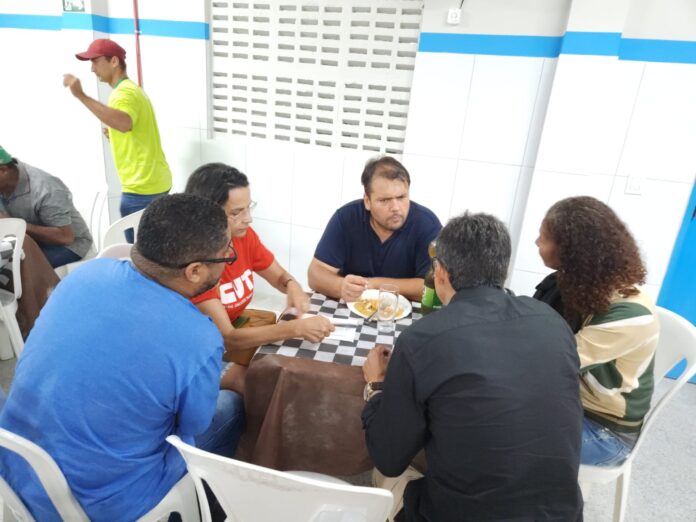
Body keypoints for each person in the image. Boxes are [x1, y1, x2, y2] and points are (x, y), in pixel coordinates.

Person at [0, 194, 244, 521]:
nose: (229, 258)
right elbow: (194, 425)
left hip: (16, 471)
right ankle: (210, 506)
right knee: (231, 407)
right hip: (105, 501)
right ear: (195, 271)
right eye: (226, 253)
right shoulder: (200, 336)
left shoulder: (85, 275)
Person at [361, 212, 583, 522]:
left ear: (440, 272)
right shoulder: (552, 321)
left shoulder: (421, 339)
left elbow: (388, 457)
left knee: (383, 474)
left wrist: (375, 386)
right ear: (503, 270)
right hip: (562, 515)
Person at [185, 163, 334, 393]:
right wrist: (296, 328)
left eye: (248, 208)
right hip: (195, 355)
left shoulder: (244, 237)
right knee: (259, 387)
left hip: (227, 340)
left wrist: (292, 286)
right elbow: (229, 338)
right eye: (236, 213)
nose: (248, 219)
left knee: (284, 373)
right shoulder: (199, 266)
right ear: (208, 216)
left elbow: (279, 276)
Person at [534, 195, 659, 466]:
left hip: (604, 430)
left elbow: (549, 362)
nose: (536, 242)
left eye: (543, 238)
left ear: (569, 251)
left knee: (497, 434)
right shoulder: (574, 285)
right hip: (568, 401)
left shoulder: (629, 315)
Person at [63, 38, 172, 242]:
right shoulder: (131, 89)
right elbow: (131, 129)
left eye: (95, 61)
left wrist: (81, 96)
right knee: (158, 247)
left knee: (142, 253)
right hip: (154, 182)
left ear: (114, 61)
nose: (92, 69)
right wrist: (115, 137)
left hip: (142, 188)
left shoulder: (124, 94)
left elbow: (123, 123)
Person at [308, 156, 441, 302]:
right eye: (385, 200)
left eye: (401, 197)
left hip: (404, 310)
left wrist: (373, 284)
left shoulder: (427, 224)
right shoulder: (346, 218)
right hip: (351, 306)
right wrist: (341, 286)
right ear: (367, 201)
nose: (396, 208)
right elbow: (315, 275)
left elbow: (435, 286)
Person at [0, 146, 93, 268]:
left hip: (68, 245)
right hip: (26, 241)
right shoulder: (4, 183)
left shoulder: (46, 189)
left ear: (3, 170)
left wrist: (14, 224)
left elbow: (65, 237)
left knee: (16, 268)